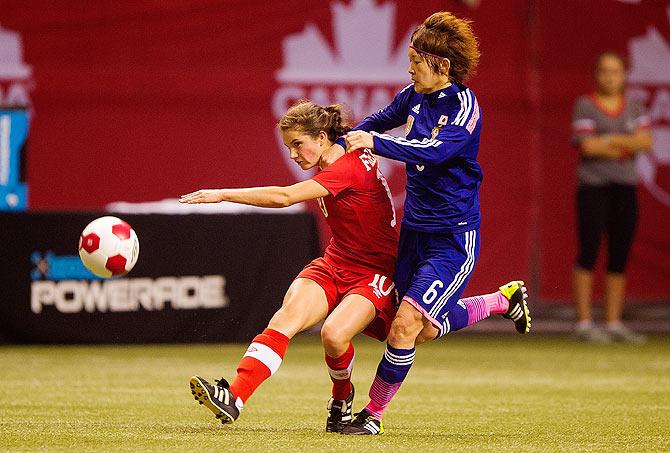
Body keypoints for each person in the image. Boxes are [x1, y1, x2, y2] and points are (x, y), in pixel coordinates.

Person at [180, 100, 525, 432]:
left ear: (320, 138)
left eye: (298, 145)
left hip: (375, 273)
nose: (293, 154)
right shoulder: (337, 149)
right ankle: (236, 397)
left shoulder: (347, 166)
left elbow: (284, 198)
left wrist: (222, 194)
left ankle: (500, 300)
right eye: (289, 147)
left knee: (402, 331)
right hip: (335, 261)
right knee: (285, 319)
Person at [317, 11, 533, 435]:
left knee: (406, 324)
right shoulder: (413, 95)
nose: (410, 67)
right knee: (421, 329)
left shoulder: (464, 107)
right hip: (415, 230)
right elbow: (376, 121)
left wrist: (375, 143)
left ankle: (372, 418)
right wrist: (343, 142)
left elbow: (432, 150)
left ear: (441, 66)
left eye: (416, 60)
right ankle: (502, 301)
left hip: (452, 238)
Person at [571, 51, 652, 343]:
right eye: (604, 71)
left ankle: (613, 321)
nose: (610, 76)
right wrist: (624, 144)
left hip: (625, 188)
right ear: (597, 74)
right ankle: (583, 322)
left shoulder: (634, 105)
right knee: (589, 250)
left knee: (619, 254)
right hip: (593, 188)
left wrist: (609, 139)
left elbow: (645, 141)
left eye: (616, 71)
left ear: (624, 75)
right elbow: (588, 147)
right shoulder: (585, 105)